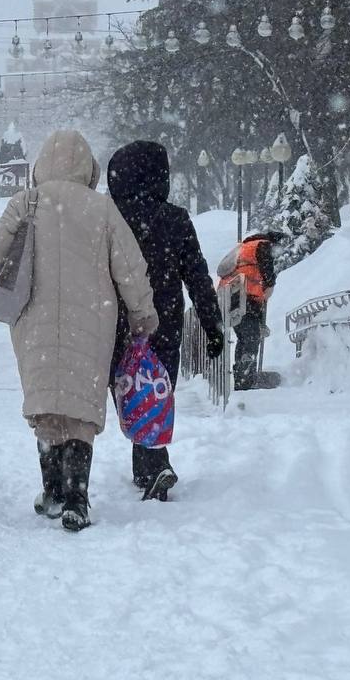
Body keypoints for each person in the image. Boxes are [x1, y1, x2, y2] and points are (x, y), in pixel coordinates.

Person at [0, 130, 158, 533]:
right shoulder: (103, 209)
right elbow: (130, 269)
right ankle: (78, 497)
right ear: (88, 169)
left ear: (41, 164)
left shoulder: (27, 201)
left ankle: (53, 491)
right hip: (92, 319)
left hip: (33, 319)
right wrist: (142, 314)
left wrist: (19, 223)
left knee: (46, 403)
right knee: (80, 405)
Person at [107, 140, 224, 501]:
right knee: (157, 392)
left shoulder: (110, 219)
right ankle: (151, 463)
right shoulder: (175, 219)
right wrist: (211, 324)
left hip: (117, 325)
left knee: (130, 394)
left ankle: (152, 464)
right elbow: (197, 276)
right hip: (165, 325)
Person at [217, 230, 288, 390]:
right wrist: (270, 285)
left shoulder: (246, 246)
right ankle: (246, 380)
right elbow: (266, 269)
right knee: (251, 336)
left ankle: (243, 379)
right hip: (243, 296)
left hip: (234, 296)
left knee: (245, 337)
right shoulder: (262, 245)